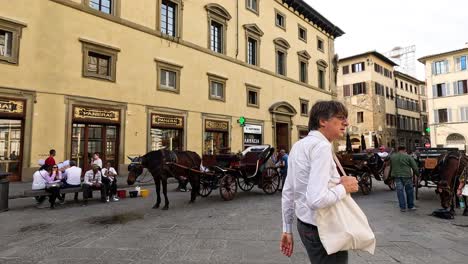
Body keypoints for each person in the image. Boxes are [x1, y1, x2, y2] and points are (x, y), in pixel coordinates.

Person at [280, 100, 359, 264]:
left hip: (304, 225)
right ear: (323, 121)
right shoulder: (322, 147)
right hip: (323, 227)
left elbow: (288, 191)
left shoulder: (298, 146)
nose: (346, 122)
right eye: (341, 117)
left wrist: (287, 229)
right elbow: (316, 199)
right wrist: (344, 188)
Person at [389, 146, 419, 212]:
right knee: (409, 191)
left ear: (398, 150)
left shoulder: (393, 157)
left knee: (400, 191)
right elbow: (414, 167)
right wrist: (418, 174)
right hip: (407, 176)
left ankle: (402, 207)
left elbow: (391, 166)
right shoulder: (408, 157)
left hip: (397, 176)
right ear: (405, 150)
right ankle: (410, 206)